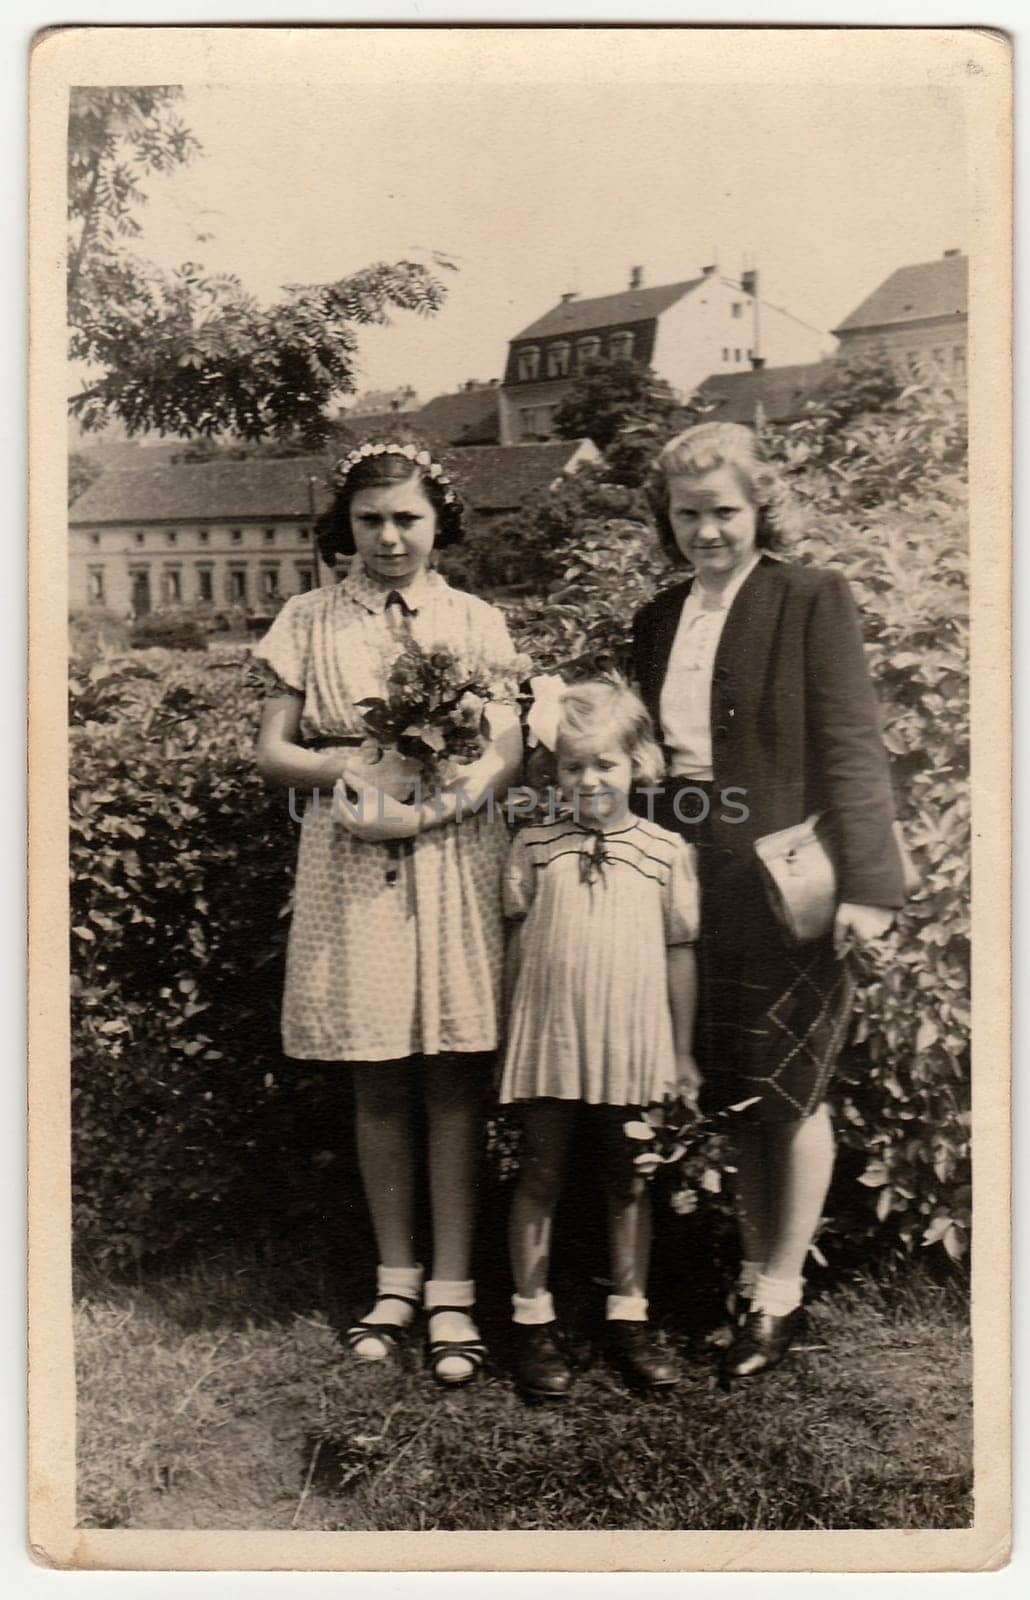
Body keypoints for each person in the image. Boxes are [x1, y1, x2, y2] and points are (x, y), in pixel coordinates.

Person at [632, 421, 907, 1378]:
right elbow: (648, 756)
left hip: (787, 875)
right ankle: (753, 1277)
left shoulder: (807, 598)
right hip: (690, 867)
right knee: (740, 1090)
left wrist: (869, 887)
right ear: (667, 519)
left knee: (793, 1088)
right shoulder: (660, 617)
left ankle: (783, 1294)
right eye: (688, 514)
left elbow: (853, 744)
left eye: (724, 512)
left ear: (760, 509)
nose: (706, 531)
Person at [254, 441, 522, 1388]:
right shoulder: (311, 617)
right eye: (371, 520)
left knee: (452, 1068)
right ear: (347, 527)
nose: (390, 536)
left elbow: (508, 748)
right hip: (351, 849)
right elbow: (270, 749)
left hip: (453, 848)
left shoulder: (476, 620)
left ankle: (454, 1287)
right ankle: (395, 1279)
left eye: (407, 518)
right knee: (374, 1070)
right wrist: (346, 770)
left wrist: (443, 804)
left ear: (440, 521)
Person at [499, 679, 700, 1399]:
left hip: (631, 1039)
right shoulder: (533, 845)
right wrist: (507, 1034)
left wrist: (679, 1054)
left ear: (638, 765)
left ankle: (630, 1314)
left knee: (628, 1178)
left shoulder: (663, 851)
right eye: (574, 766)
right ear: (554, 771)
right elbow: (518, 945)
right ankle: (530, 1318)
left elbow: (680, 950)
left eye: (605, 765)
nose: (589, 780)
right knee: (541, 1172)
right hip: (550, 1035)